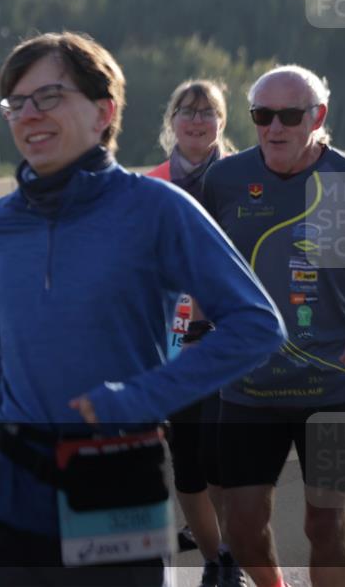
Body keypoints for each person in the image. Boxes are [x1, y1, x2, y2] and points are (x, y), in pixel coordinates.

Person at [0, 32, 285, 586]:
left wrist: (139, 399)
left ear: (103, 111)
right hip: (8, 492)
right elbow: (4, 353)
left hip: (114, 476)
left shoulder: (156, 209)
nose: (28, 114)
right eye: (16, 102)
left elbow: (257, 325)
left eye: (49, 96)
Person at [201, 65, 345, 587]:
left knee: (325, 524)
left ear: (317, 117)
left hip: (331, 382)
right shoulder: (226, 180)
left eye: (289, 115)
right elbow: (204, 265)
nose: (274, 127)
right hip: (250, 385)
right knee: (246, 528)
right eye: (262, 115)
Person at [149, 80, 245, 587]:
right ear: (172, 120)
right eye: (186, 110)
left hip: (229, 336)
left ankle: (231, 553)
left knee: (222, 458)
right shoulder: (153, 182)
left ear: (222, 122)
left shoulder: (243, 178)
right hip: (172, 343)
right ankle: (215, 558)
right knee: (185, 460)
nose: (196, 120)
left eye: (207, 112)